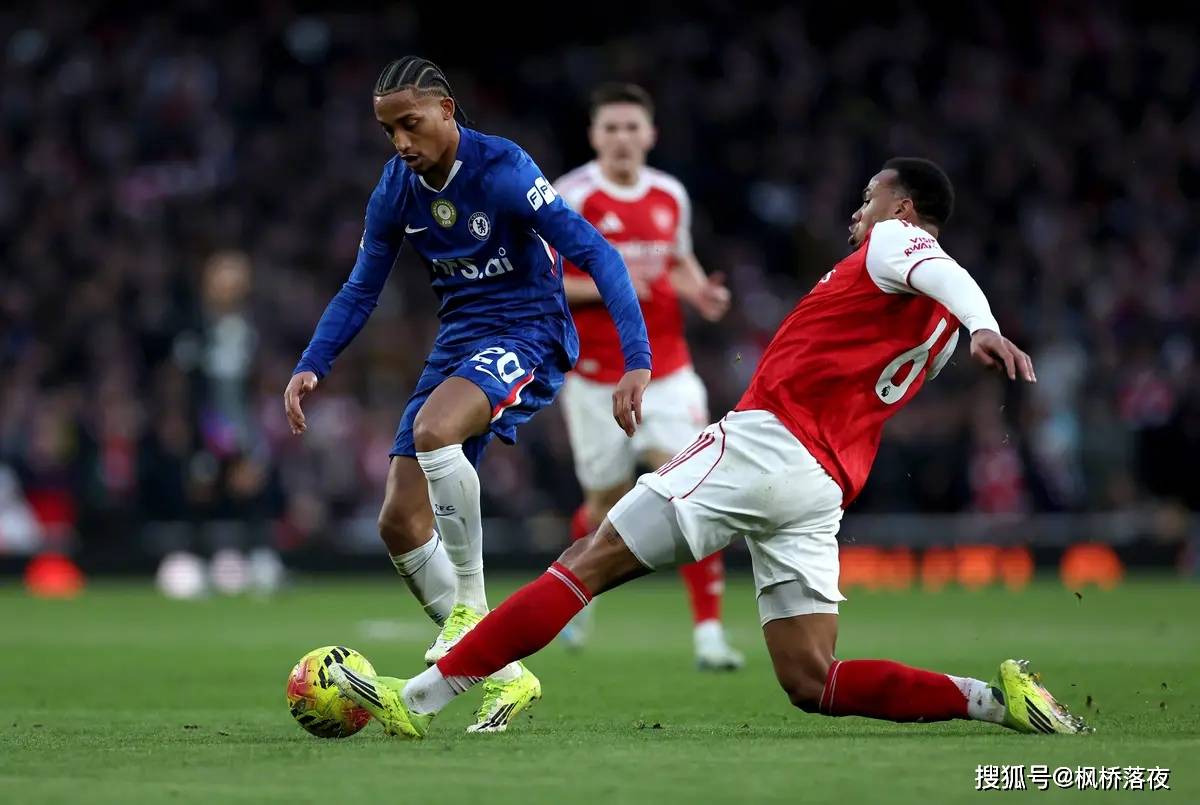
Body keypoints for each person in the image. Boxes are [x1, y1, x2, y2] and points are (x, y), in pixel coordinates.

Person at [330, 157, 1094, 738]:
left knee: (587, 560)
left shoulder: (902, 243)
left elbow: (937, 265)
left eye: (868, 199)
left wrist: (985, 323)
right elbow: (932, 295)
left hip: (765, 442)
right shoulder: (932, 324)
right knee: (813, 678)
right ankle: (992, 699)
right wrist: (970, 325)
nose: (857, 215)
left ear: (902, 208)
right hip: (822, 485)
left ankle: (416, 698)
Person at [284, 56, 652, 734]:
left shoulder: (503, 169)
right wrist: (314, 362)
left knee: (434, 430)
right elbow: (362, 286)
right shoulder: (396, 188)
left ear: (447, 110)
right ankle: (506, 673)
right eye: (389, 130)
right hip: (460, 342)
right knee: (399, 521)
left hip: (530, 331)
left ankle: (470, 609)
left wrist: (637, 359)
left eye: (411, 124)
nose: (401, 142)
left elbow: (598, 253)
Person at [553, 83, 741, 669]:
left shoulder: (670, 194)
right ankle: (577, 592)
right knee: (604, 504)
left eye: (632, 127)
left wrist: (699, 291)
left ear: (650, 134)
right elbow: (542, 282)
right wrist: (605, 284)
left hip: (667, 372)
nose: (622, 138)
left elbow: (675, 261)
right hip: (596, 377)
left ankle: (709, 634)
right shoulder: (570, 196)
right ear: (594, 135)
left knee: (694, 490)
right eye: (611, 127)